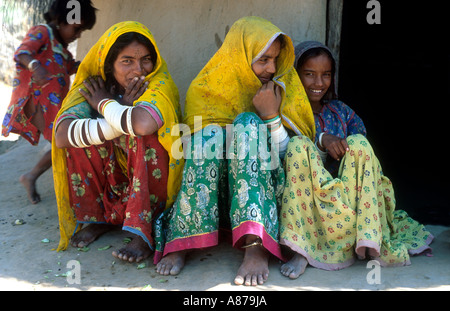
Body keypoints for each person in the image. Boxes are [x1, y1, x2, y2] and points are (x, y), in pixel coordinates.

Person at [153, 16, 315, 286]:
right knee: (208, 135)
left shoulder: (282, 89)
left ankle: (256, 246)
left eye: (275, 59)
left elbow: (298, 156)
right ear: (239, 55)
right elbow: (189, 155)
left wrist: (271, 116)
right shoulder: (203, 88)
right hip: (211, 197)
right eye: (263, 59)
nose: (271, 68)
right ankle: (184, 239)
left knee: (248, 124)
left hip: (266, 194)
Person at [279, 41, 434, 279]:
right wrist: (321, 139)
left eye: (326, 75)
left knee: (359, 144)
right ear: (295, 76)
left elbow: (364, 156)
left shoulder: (341, 112)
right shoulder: (285, 113)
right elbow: (283, 151)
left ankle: (369, 238)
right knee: (298, 145)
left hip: (347, 198)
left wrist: (343, 147)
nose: (318, 83)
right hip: (306, 203)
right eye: (309, 74)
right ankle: (302, 250)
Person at [52, 21, 184, 263]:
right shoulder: (95, 85)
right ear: (109, 65)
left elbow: (142, 124)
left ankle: (145, 233)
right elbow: (61, 136)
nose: (139, 70)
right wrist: (121, 111)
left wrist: (105, 105)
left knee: (140, 135)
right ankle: (99, 218)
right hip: (117, 179)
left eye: (146, 59)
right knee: (80, 139)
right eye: (127, 61)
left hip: (152, 182)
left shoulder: (157, 83)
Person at [1, 0, 97, 204]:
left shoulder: (62, 49)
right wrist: (35, 66)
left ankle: (32, 176)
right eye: (77, 29)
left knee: (61, 143)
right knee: (61, 142)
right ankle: (33, 176)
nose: (78, 35)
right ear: (61, 19)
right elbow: (22, 53)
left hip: (54, 106)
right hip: (38, 103)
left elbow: (71, 66)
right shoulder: (42, 32)